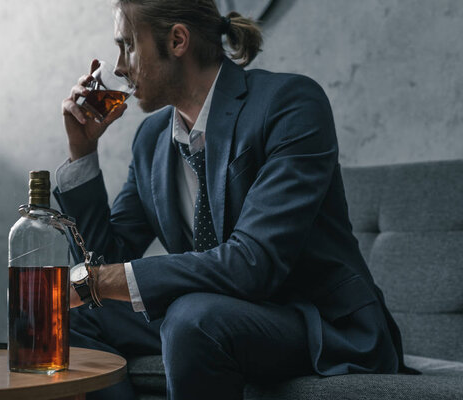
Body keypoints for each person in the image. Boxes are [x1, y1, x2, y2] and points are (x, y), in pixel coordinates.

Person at [55, 1, 408, 399]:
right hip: (210, 315)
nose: (119, 67)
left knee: (194, 319)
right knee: (68, 314)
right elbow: (104, 265)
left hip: (313, 320)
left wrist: (98, 281)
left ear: (177, 40)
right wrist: (82, 155)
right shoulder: (152, 139)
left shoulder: (290, 104)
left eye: (128, 45)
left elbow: (252, 263)